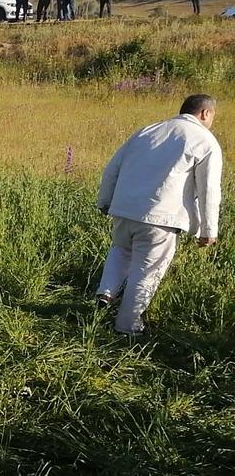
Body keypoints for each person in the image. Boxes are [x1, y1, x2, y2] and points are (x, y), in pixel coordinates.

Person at [95, 94, 222, 336]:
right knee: (148, 270)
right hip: (161, 217)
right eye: (212, 116)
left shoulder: (148, 130)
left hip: (124, 208)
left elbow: (112, 168)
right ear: (205, 113)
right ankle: (127, 327)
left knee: (121, 250)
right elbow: (209, 190)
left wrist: (105, 201)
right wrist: (208, 230)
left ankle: (106, 293)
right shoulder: (205, 141)